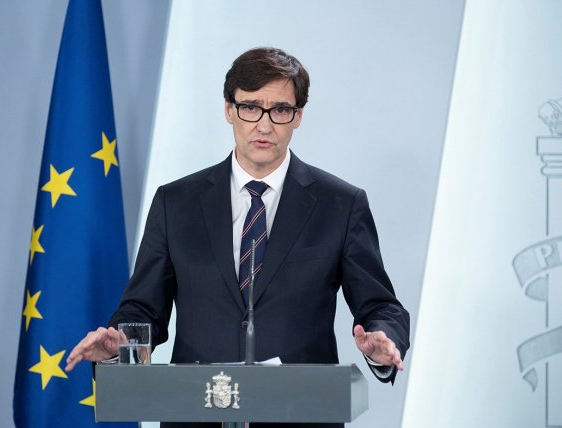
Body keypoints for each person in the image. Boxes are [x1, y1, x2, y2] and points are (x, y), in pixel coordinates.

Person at [66, 47, 410, 423]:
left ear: (298, 117)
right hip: (196, 414)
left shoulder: (341, 204)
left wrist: (382, 342)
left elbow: (381, 306)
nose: (264, 126)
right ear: (229, 110)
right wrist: (121, 345)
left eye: (280, 110)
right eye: (250, 108)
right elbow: (143, 308)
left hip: (301, 414)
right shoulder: (175, 202)